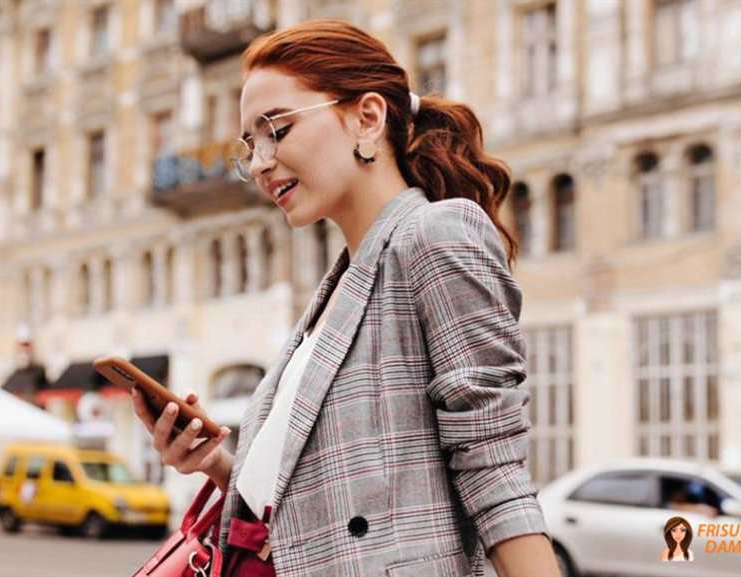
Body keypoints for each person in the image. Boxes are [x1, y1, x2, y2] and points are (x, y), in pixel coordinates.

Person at [132, 18, 559, 577]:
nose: (259, 163)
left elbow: (493, 465)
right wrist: (214, 461)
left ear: (367, 118)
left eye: (276, 129)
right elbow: (317, 507)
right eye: (250, 145)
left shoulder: (435, 234)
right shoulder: (339, 286)